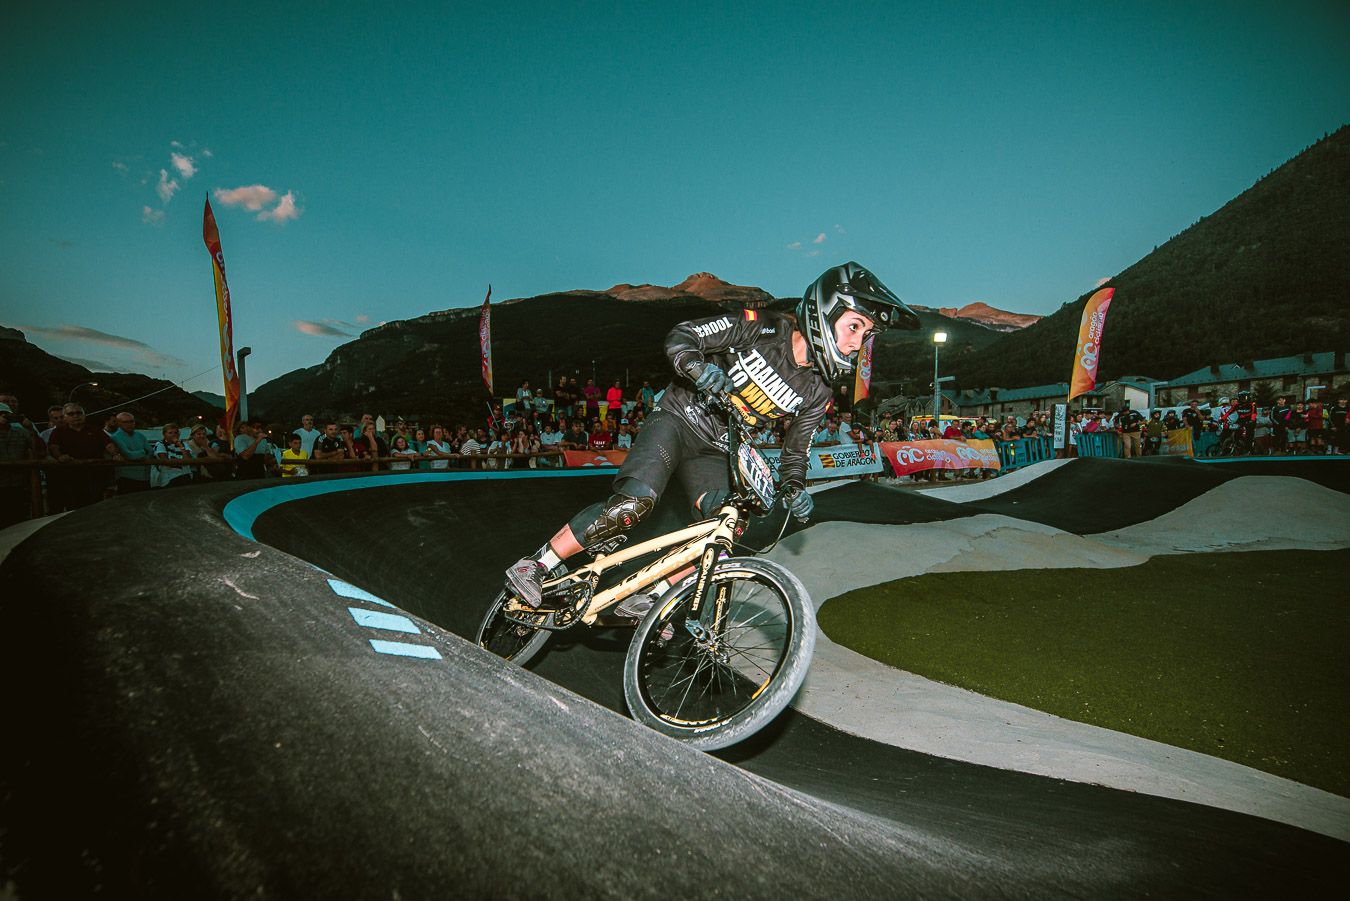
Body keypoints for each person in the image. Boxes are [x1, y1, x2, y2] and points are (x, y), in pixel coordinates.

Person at [504, 261, 919, 615]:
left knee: (726, 526)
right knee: (634, 504)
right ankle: (538, 565)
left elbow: (797, 450)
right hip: (678, 419)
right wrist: (697, 368)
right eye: (854, 327)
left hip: (718, 450)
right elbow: (683, 336)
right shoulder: (761, 329)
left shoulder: (818, 392)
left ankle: (656, 598)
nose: (856, 342)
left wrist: (794, 486)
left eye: (864, 335)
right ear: (824, 314)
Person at [45, 404, 116, 509]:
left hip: (95, 476)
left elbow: (109, 444)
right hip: (71, 477)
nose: (75, 416)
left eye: (79, 413)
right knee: (74, 508)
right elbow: (53, 447)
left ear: (84, 415)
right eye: (71, 414)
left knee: (96, 506)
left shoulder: (95, 429)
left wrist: (116, 454)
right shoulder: (58, 431)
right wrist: (60, 456)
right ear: (65, 416)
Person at [0, 402, 35, 527]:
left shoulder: (21, 432)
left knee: (19, 519)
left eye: (6, 414)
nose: (3, 417)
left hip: (19, 483)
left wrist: (30, 428)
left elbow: (38, 449)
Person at [108, 411, 153, 494]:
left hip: (145, 477)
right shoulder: (116, 437)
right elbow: (128, 455)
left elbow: (150, 451)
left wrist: (138, 454)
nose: (129, 424)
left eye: (131, 421)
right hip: (126, 478)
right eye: (125, 422)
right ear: (118, 423)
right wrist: (143, 452)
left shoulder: (140, 435)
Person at [152, 423, 195, 488]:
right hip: (169, 477)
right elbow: (167, 462)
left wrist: (180, 446)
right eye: (170, 433)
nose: (173, 435)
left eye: (175, 433)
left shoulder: (183, 444)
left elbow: (188, 459)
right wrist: (182, 462)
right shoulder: (160, 445)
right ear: (164, 434)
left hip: (185, 474)